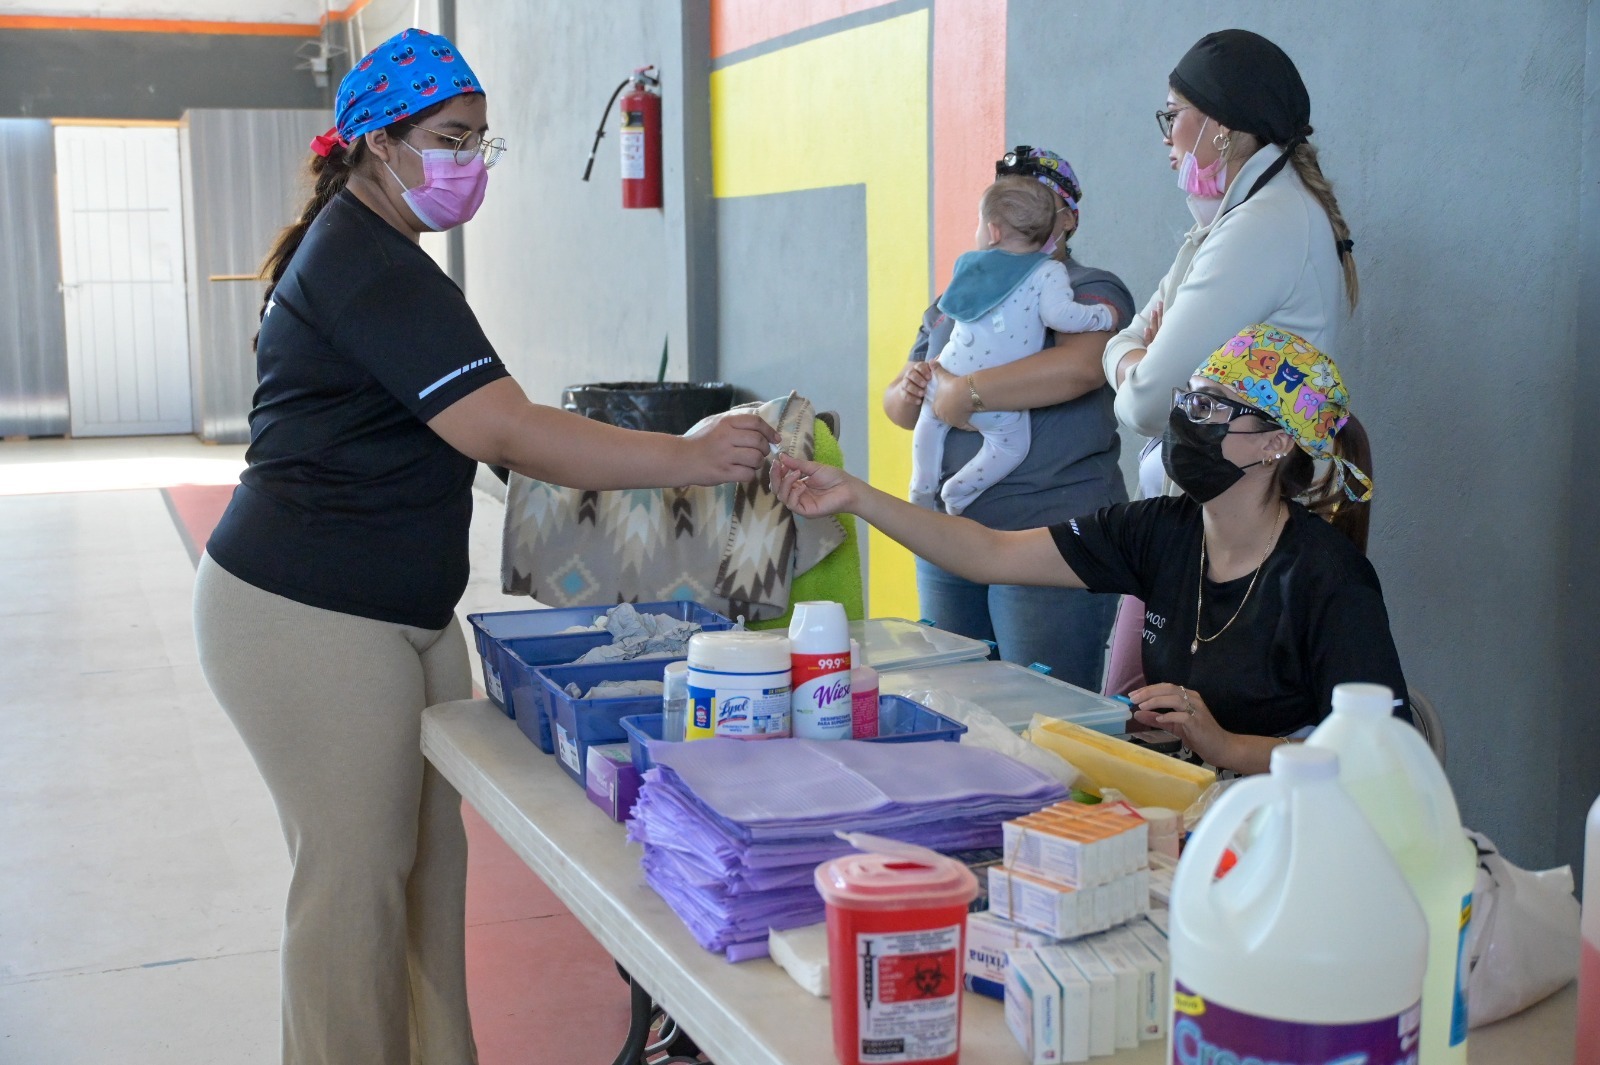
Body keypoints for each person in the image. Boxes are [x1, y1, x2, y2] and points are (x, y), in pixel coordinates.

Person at [191, 30, 777, 1065]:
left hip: (400, 616)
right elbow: (503, 429)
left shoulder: (387, 257)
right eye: (451, 139)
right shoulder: (363, 264)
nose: (470, 164)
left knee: (426, 873)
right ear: (378, 143)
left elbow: (492, 443)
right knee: (353, 883)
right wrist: (686, 460)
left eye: (480, 142)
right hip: (306, 615)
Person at [781, 325, 1406, 776]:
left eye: (1214, 407)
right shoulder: (1163, 529)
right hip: (1186, 808)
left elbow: (1386, 755)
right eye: (1188, 399)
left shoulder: (1328, 577)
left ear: (1276, 443)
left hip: (1289, 829)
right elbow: (991, 554)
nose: (1187, 420)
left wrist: (1229, 747)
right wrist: (858, 498)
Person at [1096, 29, 1362, 695]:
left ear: (1218, 125)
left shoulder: (1260, 229)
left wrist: (1132, 360)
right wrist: (1134, 352)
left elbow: (1147, 403)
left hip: (1228, 526)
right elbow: (1128, 344)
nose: (1165, 136)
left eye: (1173, 115)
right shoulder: (1229, 221)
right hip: (1213, 515)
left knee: (1139, 723)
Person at [883, 146, 1134, 690]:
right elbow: (901, 406)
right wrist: (912, 390)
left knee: (1041, 709)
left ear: (1065, 220)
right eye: (1004, 200)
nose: (1014, 214)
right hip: (951, 537)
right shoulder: (961, 291)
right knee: (954, 699)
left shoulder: (1087, 286)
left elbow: (1082, 367)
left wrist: (966, 392)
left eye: (1034, 201)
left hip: (1046, 536)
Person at [910, 176, 1115, 516]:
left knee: (928, 425)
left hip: (944, 374)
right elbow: (1061, 316)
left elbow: (1082, 369)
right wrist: (1101, 317)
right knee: (1009, 447)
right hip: (999, 409)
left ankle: (921, 485)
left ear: (992, 232)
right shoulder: (1048, 272)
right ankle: (958, 490)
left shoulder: (968, 266)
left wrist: (953, 389)